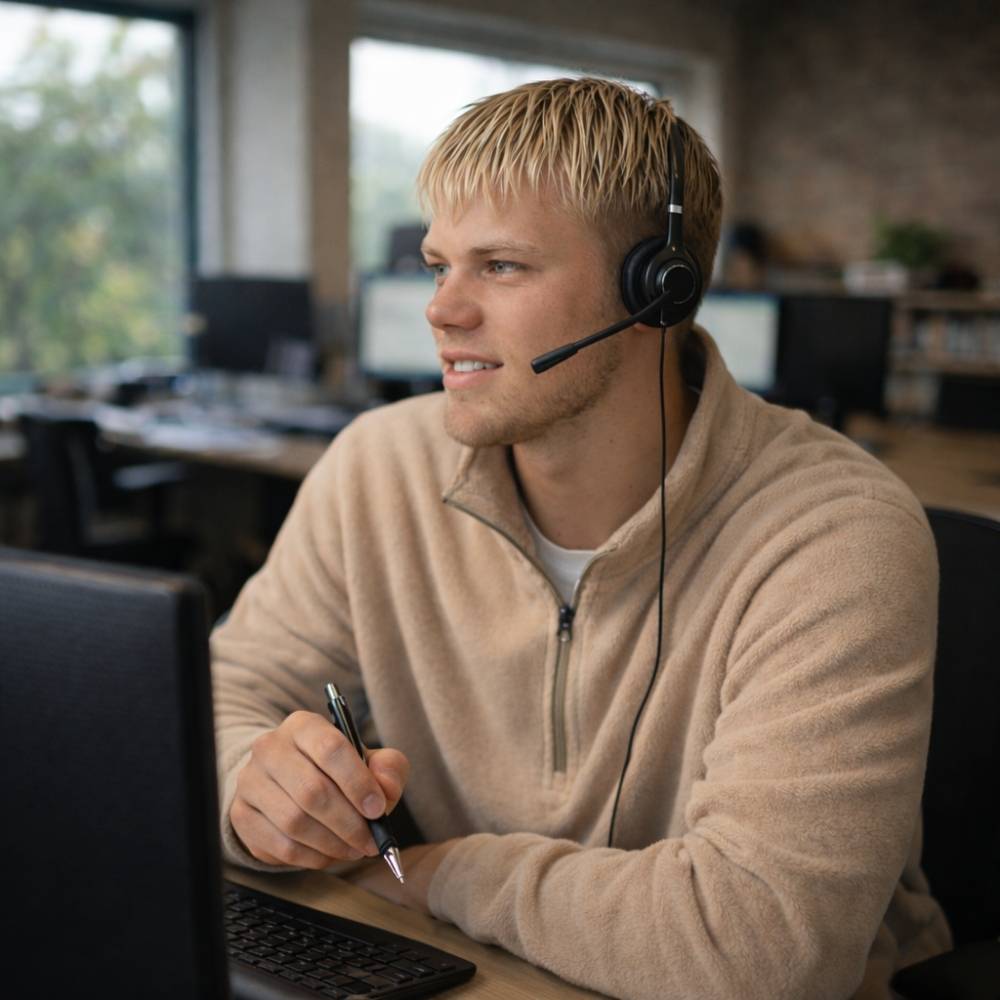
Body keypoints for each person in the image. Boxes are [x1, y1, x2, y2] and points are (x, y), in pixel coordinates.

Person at [211, 78, 951, 1000]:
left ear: (657, 290)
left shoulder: (835, 534)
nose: (442, 310)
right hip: (456, 967)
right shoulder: (377, 466)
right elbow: (221, 696)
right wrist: (258, 790)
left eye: (503, 267)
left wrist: (430, 873)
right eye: (440, 264)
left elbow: (761, 949)